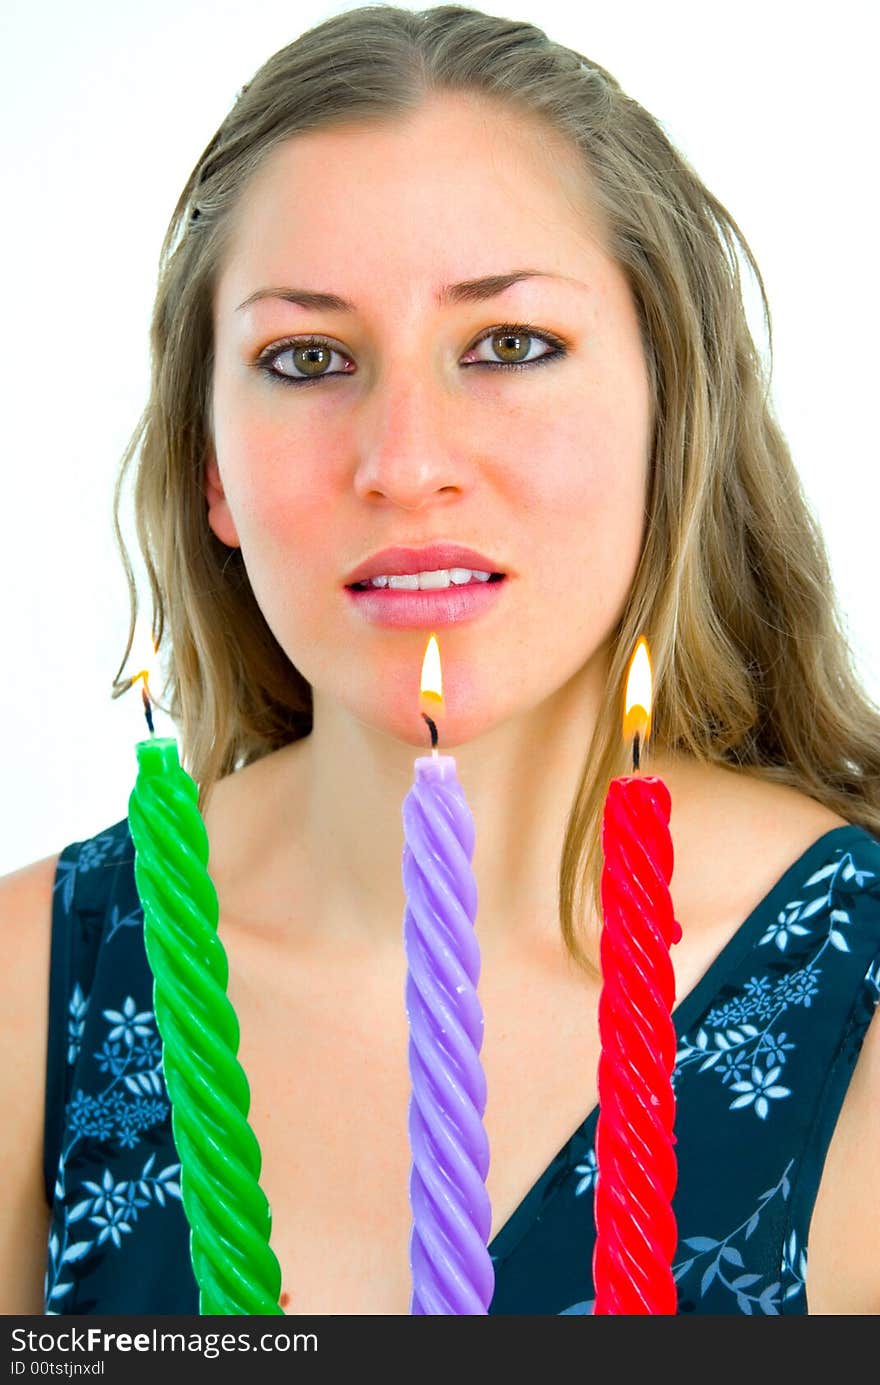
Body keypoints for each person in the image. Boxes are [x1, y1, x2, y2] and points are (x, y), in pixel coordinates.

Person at [2, 3, 879, 1318]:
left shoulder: (852, 1002)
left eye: (510, 346)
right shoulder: (31, 991)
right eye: (307, 359)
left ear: (668, 410)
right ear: (212, 469)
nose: (407, 462)